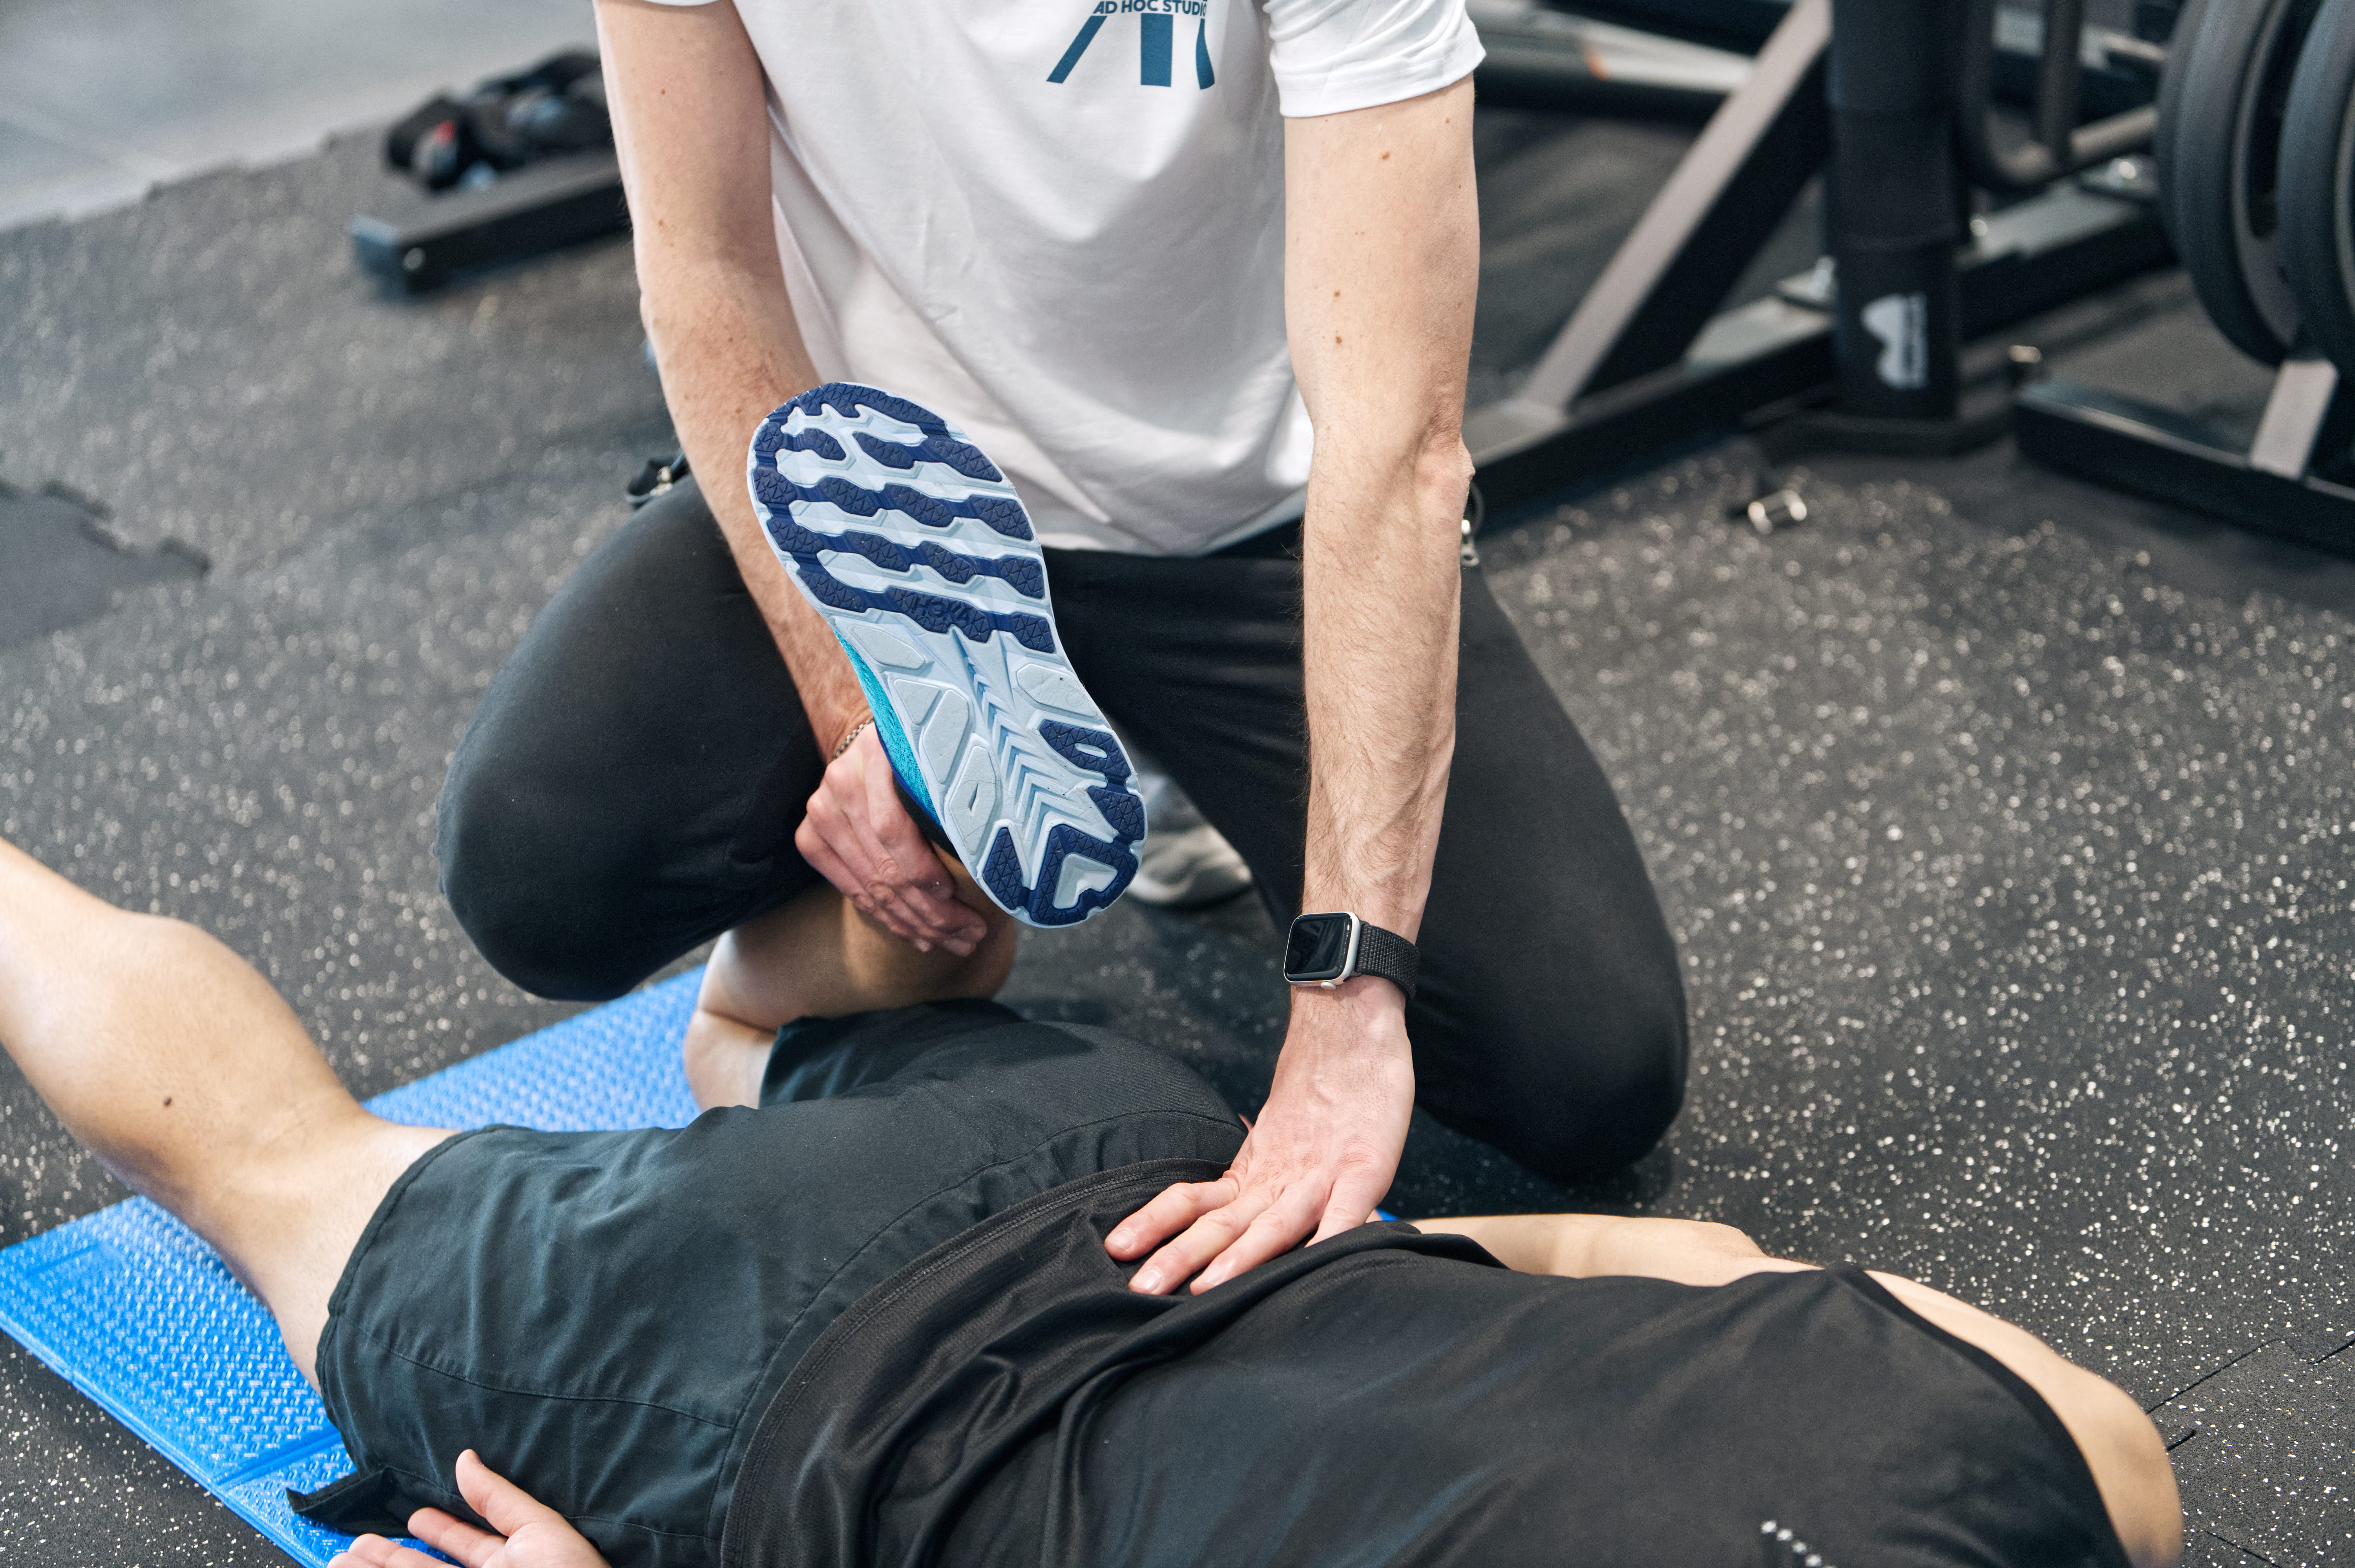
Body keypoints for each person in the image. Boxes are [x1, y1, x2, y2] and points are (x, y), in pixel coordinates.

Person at [431, 0, 1691, 1296]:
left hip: (1247, 533)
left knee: (1585, 1068)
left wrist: (1345, 1010)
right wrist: (866, 713)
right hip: (898, 520)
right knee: (539, 857)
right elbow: (708, 272)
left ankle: (1146, 761)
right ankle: (928, 842)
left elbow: (1397, 451)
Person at [0, 838, 2178, 1568]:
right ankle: (775, 1028)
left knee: (812, 1058)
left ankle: (792, 1016)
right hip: (779, 1380)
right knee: (282, 1168)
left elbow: (1673, 1266)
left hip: (1151, 1173)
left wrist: (1358, 1267)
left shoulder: (2069, 1461)